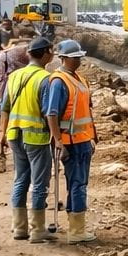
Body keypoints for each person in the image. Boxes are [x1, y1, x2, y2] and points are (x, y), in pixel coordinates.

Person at [2, 37, 57, 243]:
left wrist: (2, 132)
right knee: (39, 183)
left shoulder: (15, 76)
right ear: (45, 53)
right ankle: (37, 230)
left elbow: (4, 107)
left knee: (20, 180)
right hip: (36, 137)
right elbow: (47, 112)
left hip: (14, 134)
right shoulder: (45, 78)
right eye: (51, 52)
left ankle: (19, 228)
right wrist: (55, 137)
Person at [44, 39, 97, 244]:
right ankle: (76, 231)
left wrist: (93, 135)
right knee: (78, 184)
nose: (79, 61)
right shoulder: (59, 82)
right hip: (71, 142)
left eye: (79, 57)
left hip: (83, 140)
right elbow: (52, 114)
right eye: (75, 58)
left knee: (79, 183)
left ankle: (76, 226)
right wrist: (58, 141)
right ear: (63, 58)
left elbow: (86, 110)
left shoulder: (80, 79)